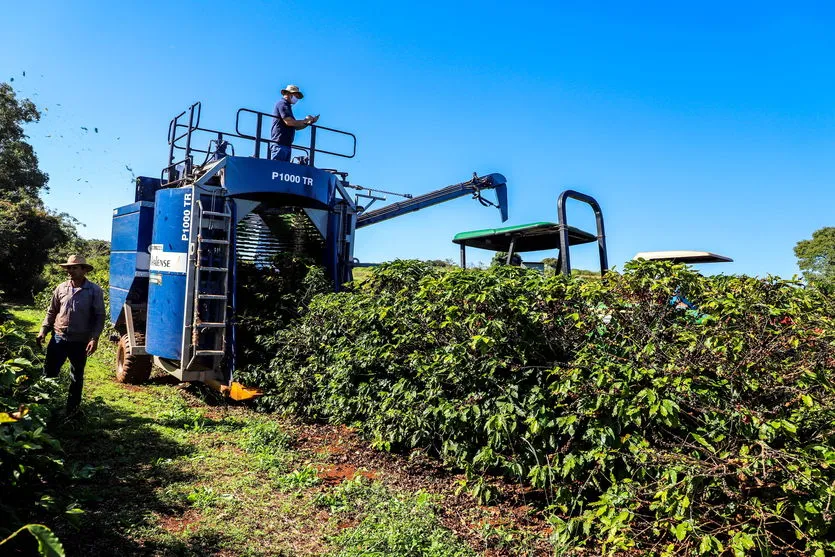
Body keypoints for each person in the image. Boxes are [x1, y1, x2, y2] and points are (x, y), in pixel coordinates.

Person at [36, 255, 105, 417]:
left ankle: (72, 411)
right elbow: (52, 311)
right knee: (49, 373)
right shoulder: (61, 288)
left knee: (76, 376)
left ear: (84, 270)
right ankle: (42, 409)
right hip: (58, 338)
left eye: (74, 268)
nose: (70, 271)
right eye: (68, 268)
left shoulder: (94, 290)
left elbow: (99, 315)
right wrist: (43, 330)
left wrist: (94, 338)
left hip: (80, 341)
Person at [270, 84, 320, 162]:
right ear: (288, 94)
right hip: (279, 143)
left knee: (282, 170)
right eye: (295, 95)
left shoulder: (287, 106)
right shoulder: (282, 104)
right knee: (277, 169)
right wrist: (305, 121)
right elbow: (289, 122)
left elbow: (296, 126)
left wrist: (308, 122)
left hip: (286, 145)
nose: (296, 99)